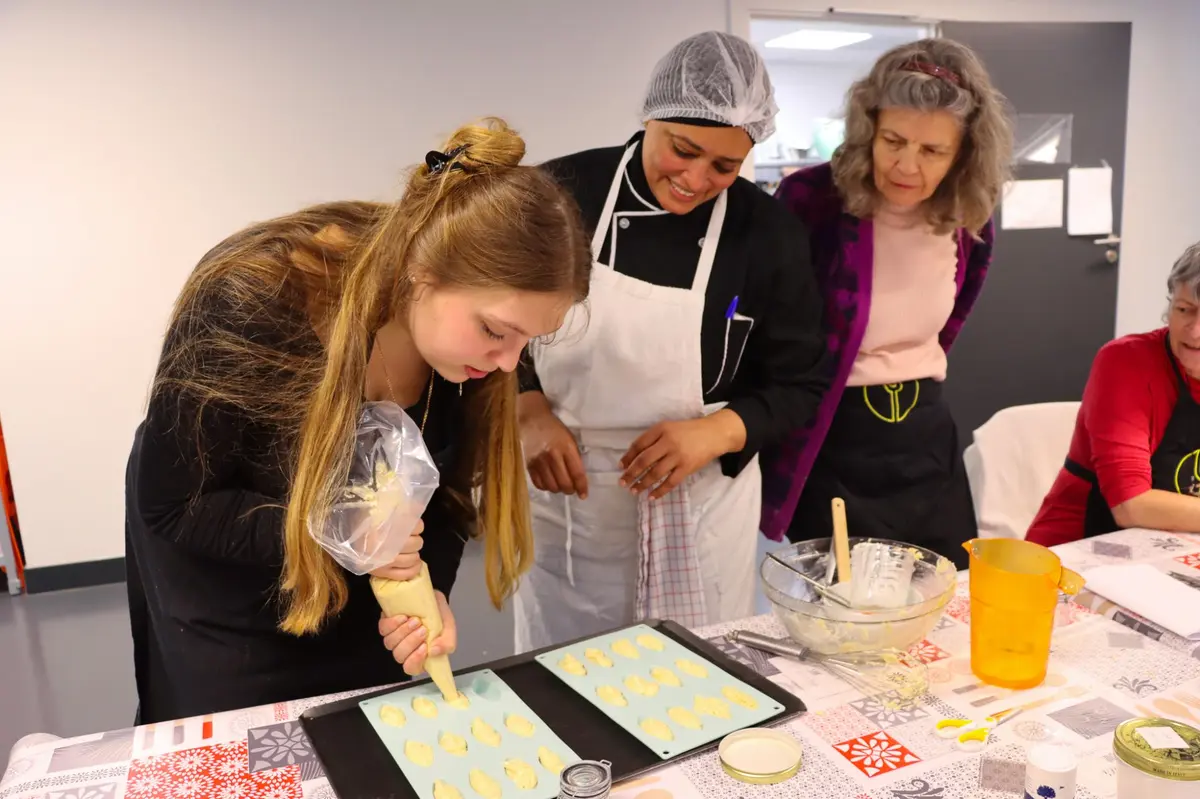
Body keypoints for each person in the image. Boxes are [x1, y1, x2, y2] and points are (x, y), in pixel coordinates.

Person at [125, 119, 591, 722]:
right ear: (422, 273)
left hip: (358, 581)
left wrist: (428, 596)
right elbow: (175, 506)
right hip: (229, 587)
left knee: (361, 727)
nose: (508, 363)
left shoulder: (476, 358)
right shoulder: (252, 302)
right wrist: (339, 531)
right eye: (495, 331)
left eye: (529, 341)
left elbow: (447, 498)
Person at [513, 31, 829, 652]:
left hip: (699, 502)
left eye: (724, 167)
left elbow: (802, 384)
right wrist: (526, 408)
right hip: (569, 496)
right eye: (683, 150)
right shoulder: (559, 192)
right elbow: (495, 321)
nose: (695, 179)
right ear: (650, 116)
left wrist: (719, 431)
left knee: (696, 669)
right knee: (566, 668)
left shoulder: (767, 234)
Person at [760, 39, 1014, 569]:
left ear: (963, 155)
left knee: (946, 591)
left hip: (925, 435)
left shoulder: (968, 213)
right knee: (848, 603)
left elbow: (951, 321)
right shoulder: (812, 201)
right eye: (893, 140)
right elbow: (769, 333)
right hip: (832, 437)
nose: (906, 165)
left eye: (933, 151)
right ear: (867, 128)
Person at [1028, 243, 1200, 544]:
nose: (1195, 331)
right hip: (1078, 548)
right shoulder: (1126, 362)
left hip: (1176, 546)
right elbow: (1130, 504)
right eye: (1184, 310)